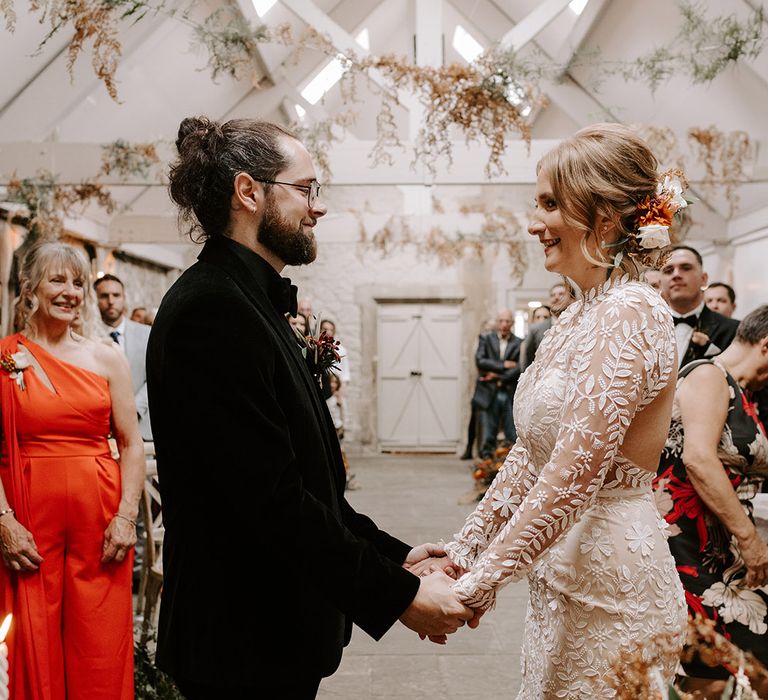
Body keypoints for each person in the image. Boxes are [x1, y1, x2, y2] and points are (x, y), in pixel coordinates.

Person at [146, 116, 473, 699]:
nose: (317, 207)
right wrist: (397, 597)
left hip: (272, 634)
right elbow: (269, 500)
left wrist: (393, 555)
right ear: (249, 192)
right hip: (241, 640)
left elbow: (305, 478)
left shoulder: (248, 301)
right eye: (306, 189)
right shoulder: (212, 311)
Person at [417, 123, 688, 697]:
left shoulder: (632, 311)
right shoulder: (576, 317)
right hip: (561, 575)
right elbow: (530, 457)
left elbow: (572, 475)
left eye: (548, 204)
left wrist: (480, 585)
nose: (533, 222)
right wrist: (463, 551)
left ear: (605, 218)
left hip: (613, 586)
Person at [0, 241, 145, 699]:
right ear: (30, 290)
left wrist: (126, 518)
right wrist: (3, 521)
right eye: (57, 280)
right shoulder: (6, 358)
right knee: (30, 635)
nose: (71, 292)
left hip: (100, 522)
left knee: (100, 640)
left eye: (78, 283)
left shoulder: (106, 358)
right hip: (27, 519)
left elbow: (131, 443)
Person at [654, 305, 768, 697]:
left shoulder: (740, 389)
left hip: (719, 548)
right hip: (692, 548)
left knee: (725, 667)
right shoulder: (708, 376)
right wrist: (750, 540)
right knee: (723, 666)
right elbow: (698, 459)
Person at [95, 273, 153, 440]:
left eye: (116, 295)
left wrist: (134, 408)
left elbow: (155, 375)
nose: (111, 301)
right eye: (104, 296)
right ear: (95, 300)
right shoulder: (87, 337)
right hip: (102, 429)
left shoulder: (146, 334)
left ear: (124, 298)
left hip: (141, 426)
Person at [659, 246, 739, 368]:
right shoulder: (644, 327)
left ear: (704, 279)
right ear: (660, 284)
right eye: (668, 270)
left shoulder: (734, 330)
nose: (676, 275)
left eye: (686, 268)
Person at [472, 309, 521, 459]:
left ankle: (509, 467)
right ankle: (486, 468)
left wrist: (497, 376)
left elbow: (519, 367)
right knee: (487, 432)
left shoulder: (519, 342)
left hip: (509, 392)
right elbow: (480, 361)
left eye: (507, 321)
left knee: (511, 432)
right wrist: (504, 365)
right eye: (501, 321)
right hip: (488, 392)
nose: (504, 324)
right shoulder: (486, 338)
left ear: (512, 323)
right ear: (497, 322)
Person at [519, 282, 571, 371]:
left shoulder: (580, 324)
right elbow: (528, 361)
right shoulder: (536, 329)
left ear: (571, 298)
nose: (556, 297)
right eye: (552, 295)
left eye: (561, 294)